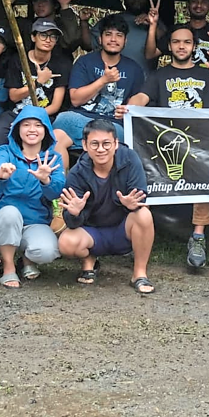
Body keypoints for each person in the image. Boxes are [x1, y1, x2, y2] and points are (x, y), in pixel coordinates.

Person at [142, 25, 209, 272]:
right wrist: (129, 106)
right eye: (176, 42)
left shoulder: (207, 75)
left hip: (199, 142)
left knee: (205, 171)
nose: (181, 46)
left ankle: (198, 236)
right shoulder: (158, 76)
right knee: (140, 167)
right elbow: (140, 99)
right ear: (169, 46)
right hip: (166, 141)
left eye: (187, 42)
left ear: (194, 47)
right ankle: (137, 231)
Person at [57, 120, 157, 294]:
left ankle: (139, 273)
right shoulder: (77, 173)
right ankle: (89, 259)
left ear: (116, 143)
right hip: (92, 232)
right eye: (94, 144)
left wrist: (129, 205)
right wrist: (74, 213)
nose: (101, 149)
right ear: (85, 145)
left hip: (122, 229)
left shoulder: (130, 158)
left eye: (106, 143)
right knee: (66, 243)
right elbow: (71, 223)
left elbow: (141, 198)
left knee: (144, 214)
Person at [0, 106, 67, 289]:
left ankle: (26, 260)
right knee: (10, 213)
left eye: (38, 125)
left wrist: (46, 180)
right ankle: (8, 267)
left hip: (35, 223)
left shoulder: (54, 158)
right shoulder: (5, 151)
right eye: (26, 125)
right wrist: (1, 173)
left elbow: (57, 191)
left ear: (46, 130)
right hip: (1, 226)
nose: (32, 129)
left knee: (47, 251)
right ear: (17, 128)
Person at [54, 14, 148, 150]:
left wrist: (128, 109)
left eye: (119, 35)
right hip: (81, 117)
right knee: (60, 127)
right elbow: (75, 100)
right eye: (108, 34)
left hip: (113, 124)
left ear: (125, 41)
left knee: (116, 136)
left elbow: (136, 102)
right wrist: (103, 80)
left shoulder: (134, 69)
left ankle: (89, 147)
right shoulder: (84, 62)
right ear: (100, 39)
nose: (113, 39)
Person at [0, 18, 71, 161]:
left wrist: (33, 119)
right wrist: (37, 83)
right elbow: (13, 96)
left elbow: (55, 105)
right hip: (16, 113)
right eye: (43, 35)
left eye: (53, 36)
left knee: (50, 141)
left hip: (44, 115)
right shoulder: (19, 59)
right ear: (33, 37)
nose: (48, 40)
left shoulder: (62, 64)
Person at [0, 0, 87, 56]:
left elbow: (72, 40)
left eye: (45, 0)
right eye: (36, 1)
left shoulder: (62, 25)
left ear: (55, 5)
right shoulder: (26, 25)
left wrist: (64, 6)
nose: (40, 4)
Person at [161, 0, 209, 70]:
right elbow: (151, 54)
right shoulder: (176, 31)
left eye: (204, 2)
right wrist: (153, 25)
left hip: (208, 77)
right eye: (194, 1)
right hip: (180, 77)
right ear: (188, 5)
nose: (199, 5)